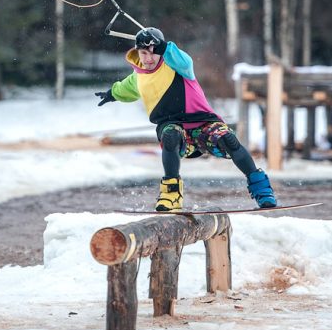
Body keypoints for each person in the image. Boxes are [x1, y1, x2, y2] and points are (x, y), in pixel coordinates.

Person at [95, 27, 277, 212]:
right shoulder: (138, 76)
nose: (148, 59)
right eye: (144, 53)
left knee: (228, 139)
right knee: (170, 136)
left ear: (160, 50)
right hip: (173, 127)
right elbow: (125, 88)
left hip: (204, 123)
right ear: (138, 52)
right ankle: (171, 195)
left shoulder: (176, 65)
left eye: (152, 52)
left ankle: (262, 190)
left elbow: (185, 60)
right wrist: (111, 94)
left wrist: (164, 47)